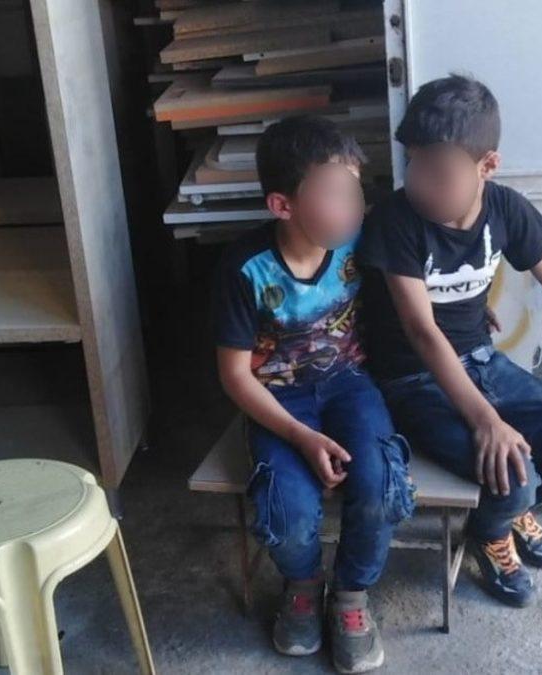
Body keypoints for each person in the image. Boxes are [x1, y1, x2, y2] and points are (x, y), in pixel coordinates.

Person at [356, 74, 542, 608]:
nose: (420, 183)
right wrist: (486, 421)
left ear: (487, 165)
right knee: (515, 476)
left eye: (439, 172)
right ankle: (496, 526)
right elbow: (422, 332)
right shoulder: (395, 221)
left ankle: (501, 514)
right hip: (413, 379)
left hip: (482, 361)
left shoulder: (506, 210)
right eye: (414, 164)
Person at [214, 115, 414, 673]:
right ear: (283, 206)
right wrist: (301, 437)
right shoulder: (245, 270)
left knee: (380, 482)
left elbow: (415, 277)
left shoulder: (359, 241)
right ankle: (303, 584)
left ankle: (351, 594)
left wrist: (461, 315)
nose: (353, 206)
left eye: (355, 190)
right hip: (278, 399)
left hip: (350, 384)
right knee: (287, 507)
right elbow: (235, 376)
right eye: (333, 193)